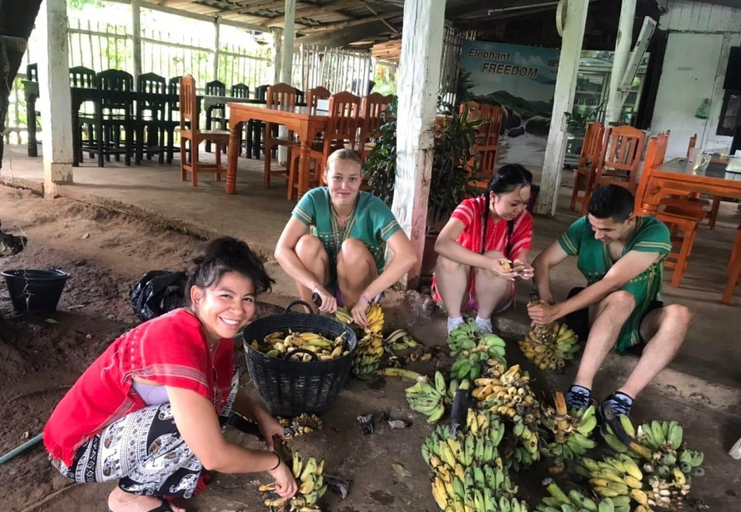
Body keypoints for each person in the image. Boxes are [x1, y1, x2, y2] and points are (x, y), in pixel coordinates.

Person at [43, 238, 297, 512]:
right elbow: (213, 456)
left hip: (119, 430)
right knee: (185, 420)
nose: (238, 310)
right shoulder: (176, 338)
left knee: (220, 388)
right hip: (78, 449)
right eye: (226, 296)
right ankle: (128, 498)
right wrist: (274, 464)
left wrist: (262, 417)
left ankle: (161, 475)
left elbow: (224, 388)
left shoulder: (214, 333)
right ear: (198, 296)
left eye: (247, 298)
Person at [528, 185, 692, 421]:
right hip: (598, 316)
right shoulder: (584, 227)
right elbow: (542, 261)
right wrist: (544, 298)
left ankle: (624, 397)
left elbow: (612, 282)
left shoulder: (654, 232)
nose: (596, 235)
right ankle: (581, 388)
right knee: (619, 300)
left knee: (680, 314)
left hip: (640, 322)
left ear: (629, 220)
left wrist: (554, 312)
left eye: (605, 230)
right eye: (593, 227)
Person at [275, 148, 417, 328]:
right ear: (325, 176)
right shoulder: (314, 198)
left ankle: (353, 323)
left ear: (360, 179)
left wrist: (367, 295)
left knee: (351, 248)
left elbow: (408, 256)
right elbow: (282, 250)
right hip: (324, 286)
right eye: (337, 177)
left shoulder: (373, 207)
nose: (344, 186)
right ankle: (312, 319)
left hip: (361, 289)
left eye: (352, 179)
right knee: (305, 244)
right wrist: (315, 287)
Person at [433, 164, 535, 334]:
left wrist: (521, 267)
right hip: (457, 291)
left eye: (525, 203)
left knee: (497, 258)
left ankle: (483, 320)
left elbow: (520, 258)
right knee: (448, 258)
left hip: (494, 296)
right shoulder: (470, 208)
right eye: (514, 203)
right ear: (493, 196)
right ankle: (455, 320)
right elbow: (442, 243)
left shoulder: (523, 219)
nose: (520, 209)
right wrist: (488, 263)